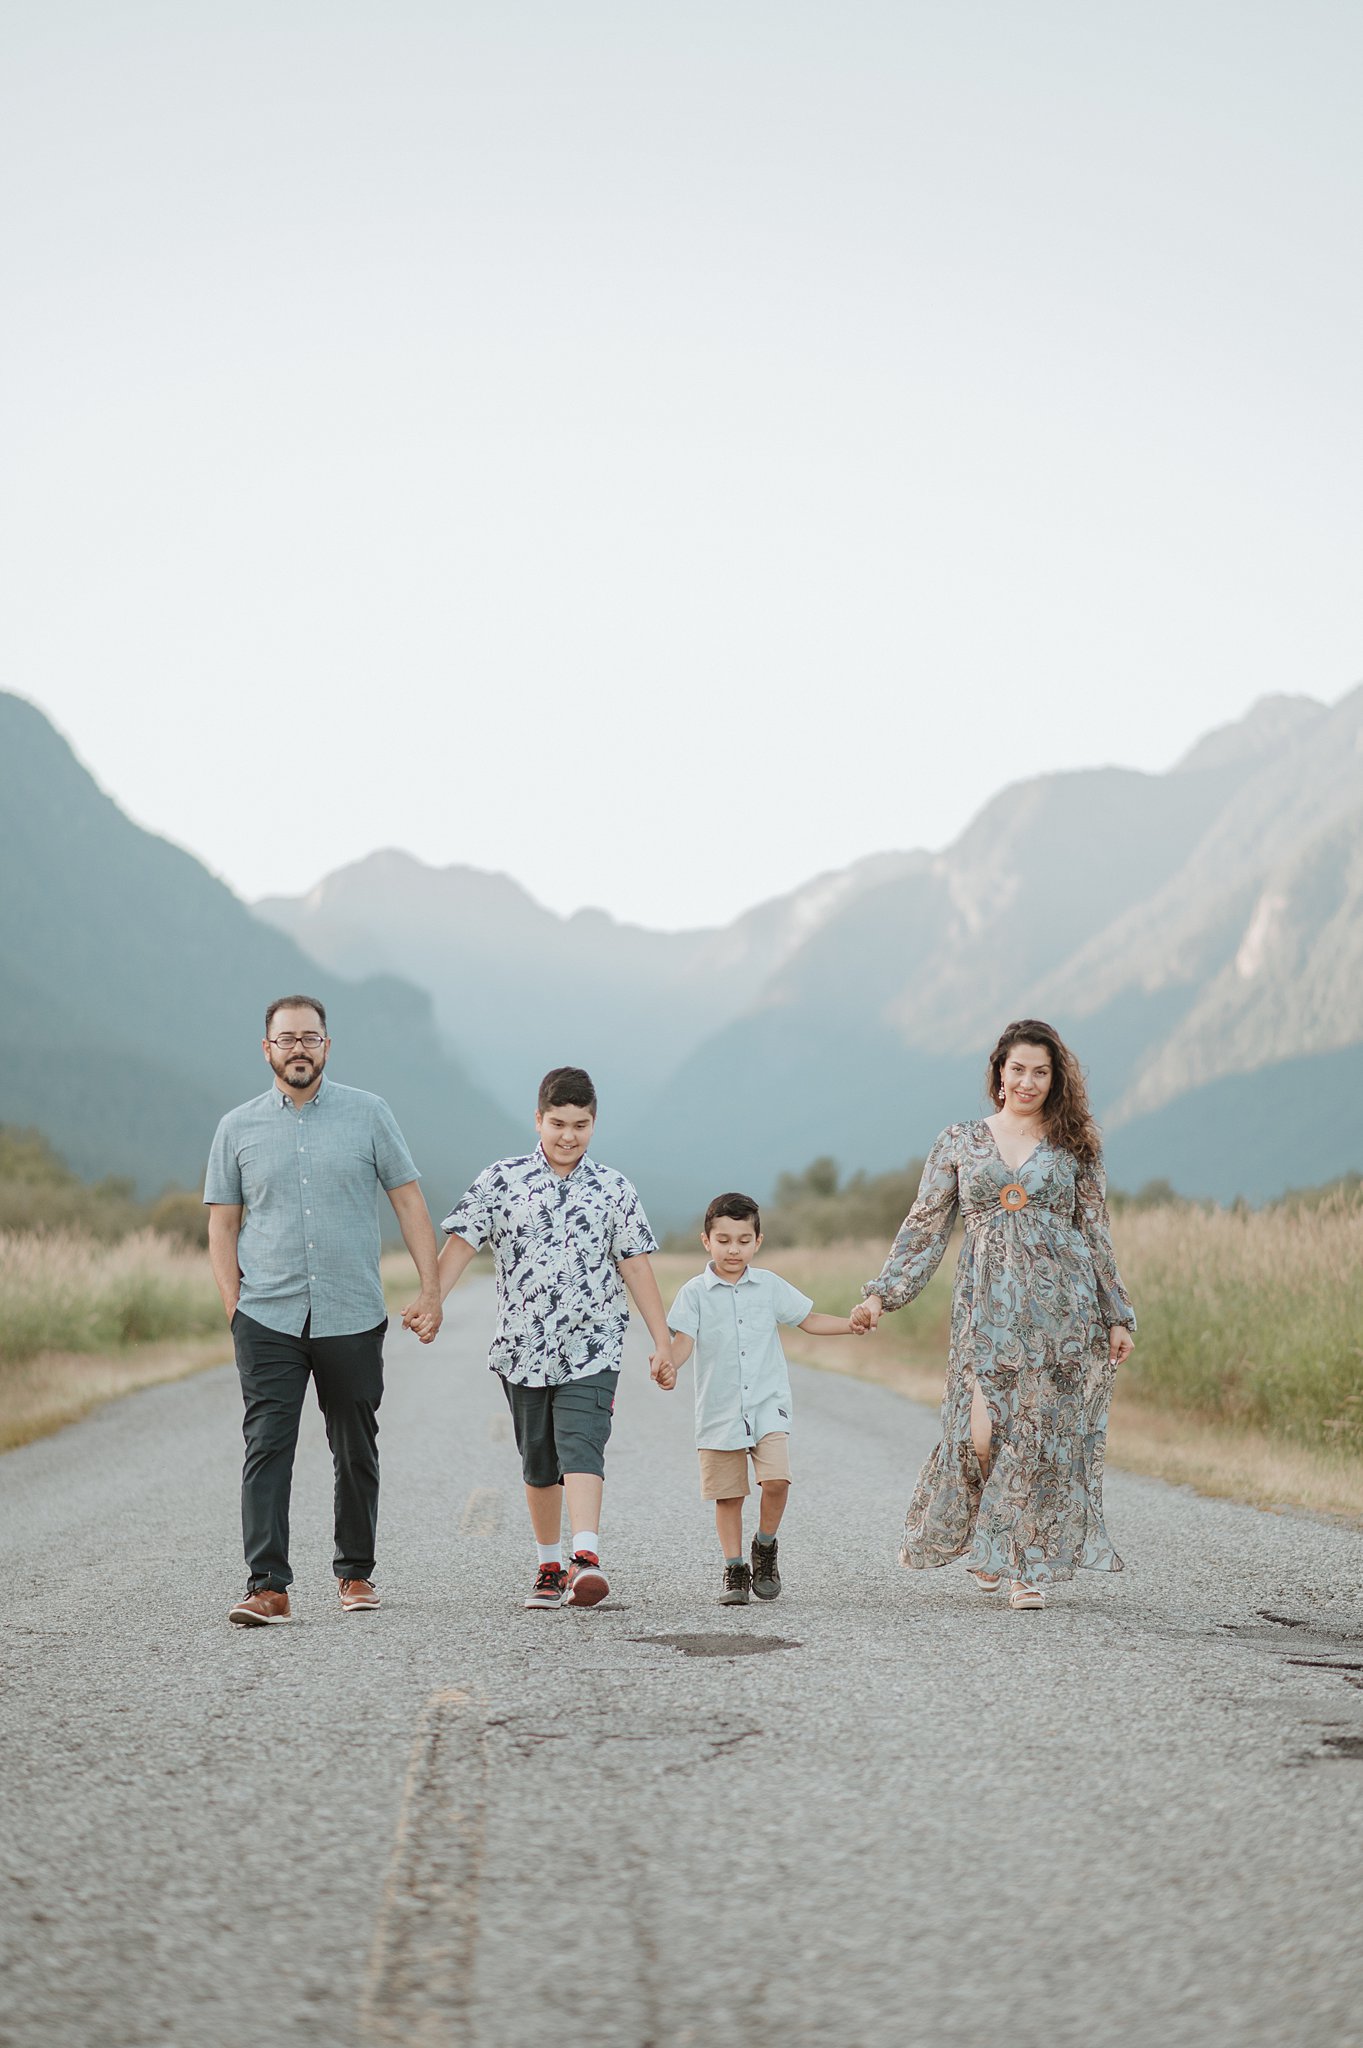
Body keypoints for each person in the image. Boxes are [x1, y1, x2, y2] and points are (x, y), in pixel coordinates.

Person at [851, 1018, 1136, 1612]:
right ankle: (990, 1532)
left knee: (1037, 1438)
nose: (1028, 1081)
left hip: (1063, 1311)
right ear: (999, 1074)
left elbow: (1096, 1234)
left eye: (1041, 1071)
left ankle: (1022, 1565)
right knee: (979, 1438)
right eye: (1018, 1069)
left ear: (1055, 1080)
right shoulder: (959, 1140)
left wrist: (1117, 1315)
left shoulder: (1075, 1146)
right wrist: (883, 1294)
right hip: (985, 1313)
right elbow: (925, 1227)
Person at [206, 995, 442, 1626]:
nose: (299, 1048)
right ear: (267, 1049)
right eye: (286, 1039)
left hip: (352, 1312)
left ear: (327, 1046)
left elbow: (410, 1203)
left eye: (310, 1037)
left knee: (355, 1447)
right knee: (266, 1448)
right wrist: (235, 1307)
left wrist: (431, 1290)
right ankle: (268, 1586)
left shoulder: (369, 1114)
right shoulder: (236, 1128)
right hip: (267, 1317)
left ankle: (355, 1574)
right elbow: (222, 1226)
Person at [422, 1066, 673, 1609]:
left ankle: (586, 1559)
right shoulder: (500, 1180)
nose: (568, 1136)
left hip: (595, 1345)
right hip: (522, 1348)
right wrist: (431, 1302)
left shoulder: (614, 1189)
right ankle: (550, 1565)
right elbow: (461, 1247)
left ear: (594, 1124)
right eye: (558, 1123)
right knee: (538, 1461)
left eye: (581, 1125)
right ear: (537, 1120)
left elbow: (636, 1267)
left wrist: (662, 1340)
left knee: (582, 1444)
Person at [660, 1192, 864, 1605]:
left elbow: (808, 1320)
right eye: (723, 1239)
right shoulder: (694, 1293)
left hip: (767, 1404)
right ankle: (735, 1568)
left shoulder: (769, 1286)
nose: (733, 1249)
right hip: (718, 1411)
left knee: (776, 1481)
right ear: (706, 1241)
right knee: (729, 1494)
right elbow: (682, 1343)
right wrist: (669, 1365)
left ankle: (765, 1546)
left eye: (742, 1239)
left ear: (758, 1241)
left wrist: (851, 1325)